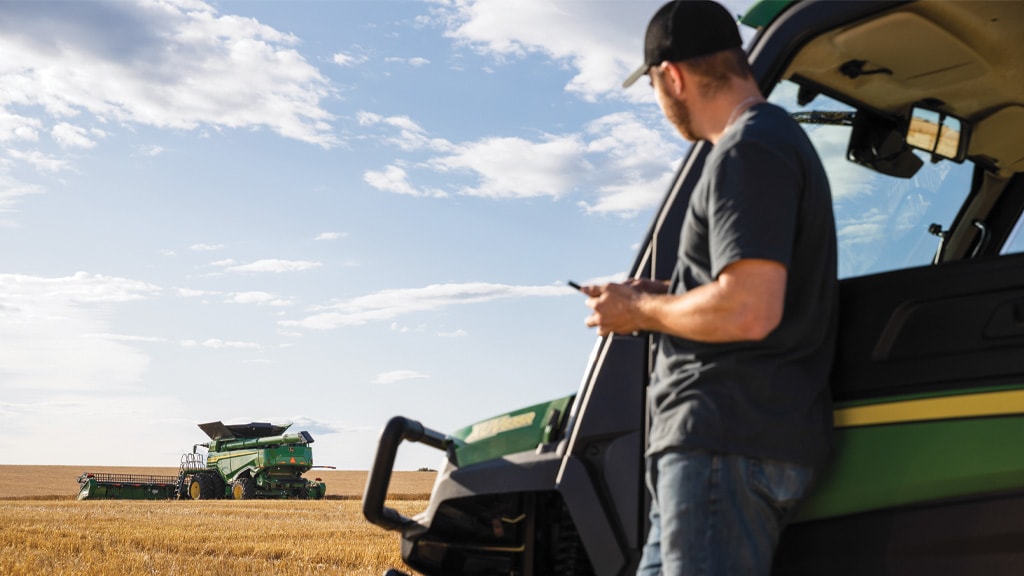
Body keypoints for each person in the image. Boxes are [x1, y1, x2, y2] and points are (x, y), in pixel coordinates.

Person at [578, 1, 838, 574]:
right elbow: (752, 286)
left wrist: (641, 310)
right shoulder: (772, 142)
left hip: (722, 439)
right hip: (724, 445)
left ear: (672, 75)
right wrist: (674, 289)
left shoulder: (748, 149)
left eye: (652, 84)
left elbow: (748, 309)